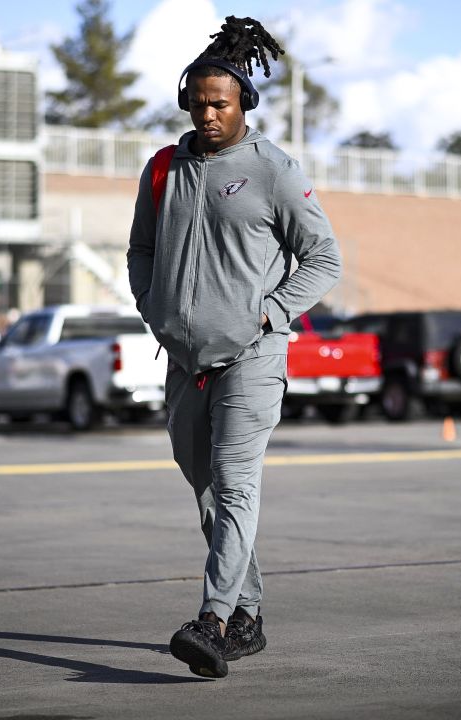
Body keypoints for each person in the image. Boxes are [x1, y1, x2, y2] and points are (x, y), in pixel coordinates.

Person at [126, 16, 342, 679]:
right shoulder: (165, 169)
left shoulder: (273, 171)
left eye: (220, 103)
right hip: (185, 364)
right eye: (198, 103)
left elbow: (324, 258)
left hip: (252, 359)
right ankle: (248, 616)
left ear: (244, 102)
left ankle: (213, 622)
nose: (209, 114)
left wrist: (273, 312)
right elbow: (140, 251)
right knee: (208, 498)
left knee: (237, 489)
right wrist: (154, 308)